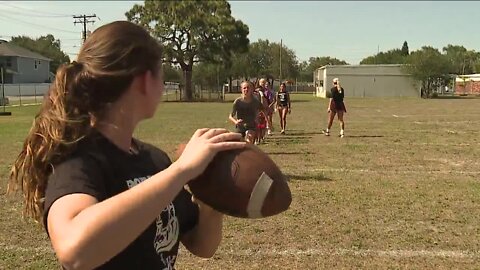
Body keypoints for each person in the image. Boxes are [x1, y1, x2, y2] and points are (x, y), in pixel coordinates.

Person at [8, 21, 246, 270]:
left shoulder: (154, 160)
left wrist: (211, 191)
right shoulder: (78, 160)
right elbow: (74, 249)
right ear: (144, 80)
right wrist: (181, 170)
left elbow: (201, 245)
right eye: (161, 74)